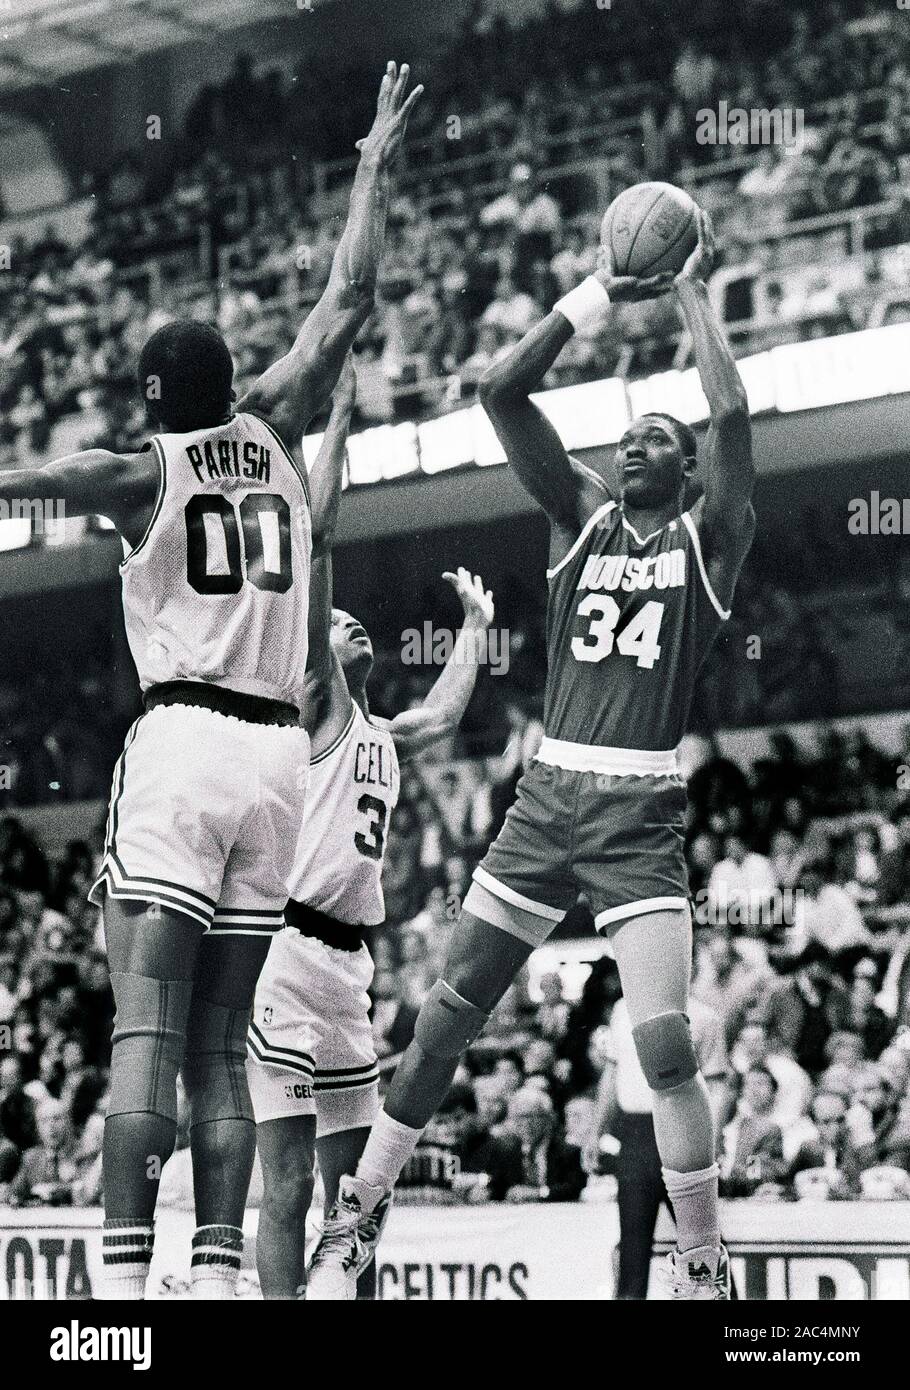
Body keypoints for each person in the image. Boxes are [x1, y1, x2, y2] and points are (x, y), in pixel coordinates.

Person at [0, 62, 422, 1300]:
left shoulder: (138, 468)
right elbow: (351, 292)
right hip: (278, 760)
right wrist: (371, 161)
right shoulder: (279, 422)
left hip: (184, 741)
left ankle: (122, 1301)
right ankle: (222, 1276)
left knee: (144, 1024)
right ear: (231, 385)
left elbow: (53, 474)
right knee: (222, 1050)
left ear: (149, 395)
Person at [307, 208, 756, 1301]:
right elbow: (499, 392)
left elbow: (732, 405)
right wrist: (600, 292)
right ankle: (358, 1216)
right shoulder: (579, 518)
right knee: (442, 1019)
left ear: (688, 469)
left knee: (664, 1050)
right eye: (628, 434)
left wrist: (690, 286)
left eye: (655, 435)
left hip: (640, 813)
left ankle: (702, 1265)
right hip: (547, 796)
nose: (631, 442)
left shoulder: (713, 536)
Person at [247, 359, 495, 1299]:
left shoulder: (382, 733)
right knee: (289, 1184)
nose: (353, 627)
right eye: (340, 621)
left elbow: (444, 711)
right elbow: (316, 540)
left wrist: (474, 626)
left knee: (360, 1190)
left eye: (355, 626)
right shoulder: (315, 704)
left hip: (349, 968)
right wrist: (338, 416)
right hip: (287, 950)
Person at [583, 992, 729, 1299]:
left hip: (684, 1128)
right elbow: (613, 1073)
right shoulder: (623, 1009)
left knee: (702, 1239)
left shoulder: (704, 1016)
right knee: (632, 1244)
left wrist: (710, 1140)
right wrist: (595, 1129)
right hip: (635, 1134)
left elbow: (717, 1084)